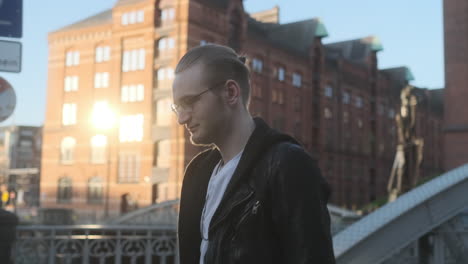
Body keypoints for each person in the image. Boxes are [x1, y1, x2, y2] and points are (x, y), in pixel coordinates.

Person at [172, 44, 335, 264]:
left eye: (189, 102)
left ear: (231, 92)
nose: (181, 118)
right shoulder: (198, 172)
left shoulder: (287, 164)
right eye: (177, 108)